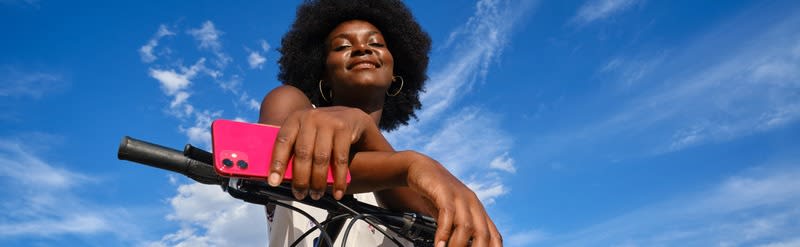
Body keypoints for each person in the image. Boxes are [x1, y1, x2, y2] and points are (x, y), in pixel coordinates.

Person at [259, 0, 502, 246]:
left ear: (395, 72)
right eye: (342, 46)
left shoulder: (412, 179)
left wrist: (375, 139)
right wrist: (407, 165)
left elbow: (435, 220)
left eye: (376, 43)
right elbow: (276, 167)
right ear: (323, 74)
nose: (362, 49)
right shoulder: (291, 106)